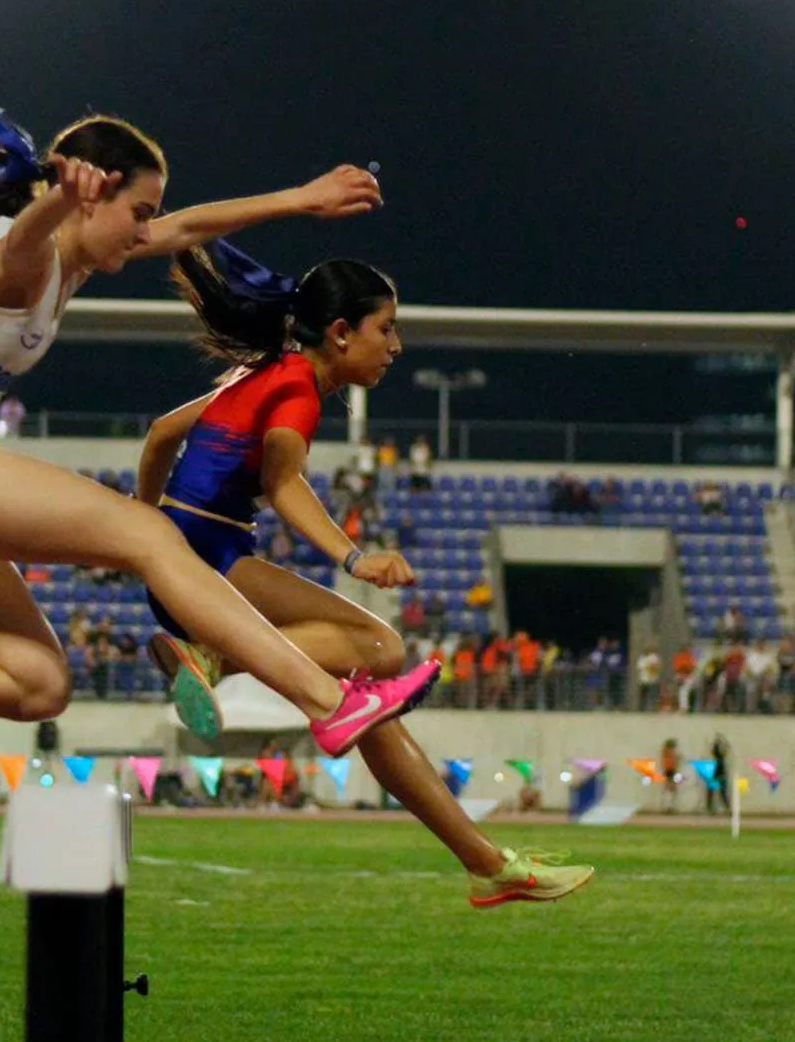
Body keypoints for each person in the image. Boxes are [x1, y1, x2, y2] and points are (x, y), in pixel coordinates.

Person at [0, 92, 429, 758]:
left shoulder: (75, 264)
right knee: (149, 532)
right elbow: (27, 240)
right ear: (98, 197)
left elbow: (187, 228)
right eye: (139, 210)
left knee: (38, 684)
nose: (146, 229)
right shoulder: (25, 260)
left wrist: (301, 199)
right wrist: (64, 195)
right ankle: (327, 701)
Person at [134, 240, 593, 908]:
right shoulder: (295, 387)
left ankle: (487, 863)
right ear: (342, 333)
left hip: (194, 551)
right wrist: (354, 557)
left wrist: (144, 533)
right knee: (384, 646)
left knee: (370, 701)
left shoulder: (260, 374)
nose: (397, 345)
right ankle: (207, 655)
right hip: (210, 554)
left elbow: (157, 435)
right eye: (387, 328)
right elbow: (283, 483)